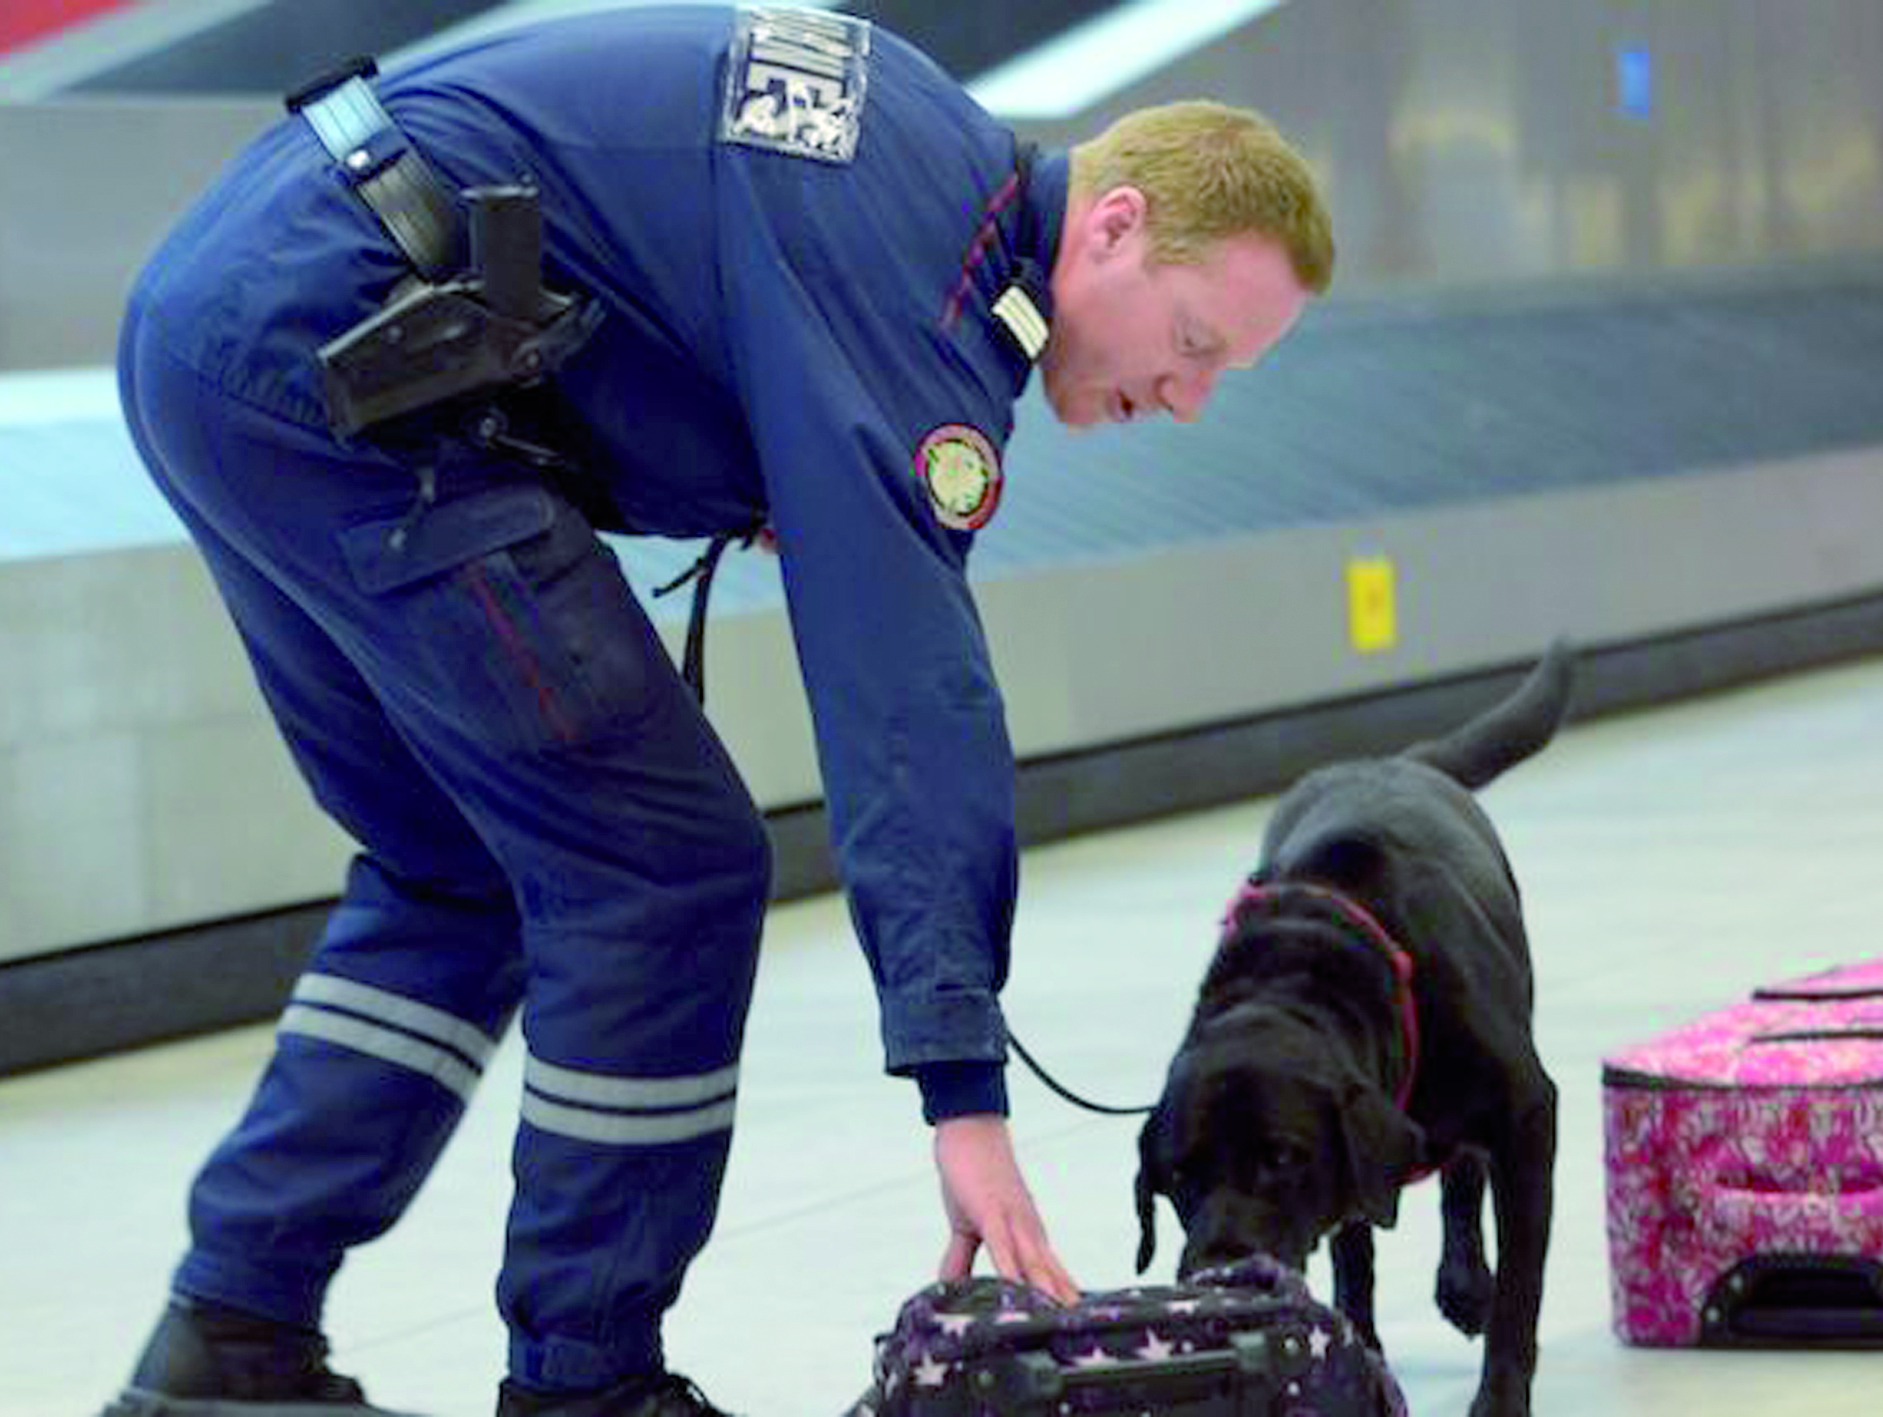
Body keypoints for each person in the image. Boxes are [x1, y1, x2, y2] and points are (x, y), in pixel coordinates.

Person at [103, 6, 1333, 1416]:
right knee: (661, 867)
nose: (1183, 399)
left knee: (456, 871)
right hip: (352, 380)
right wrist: (959, 1086)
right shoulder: (919, 286)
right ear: (1110, 228)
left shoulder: (917, 169)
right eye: (1191, 343)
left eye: (1217, 376)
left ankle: (228, 1339)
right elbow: (903, 689)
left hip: (234, 329)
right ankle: (587, 1382)